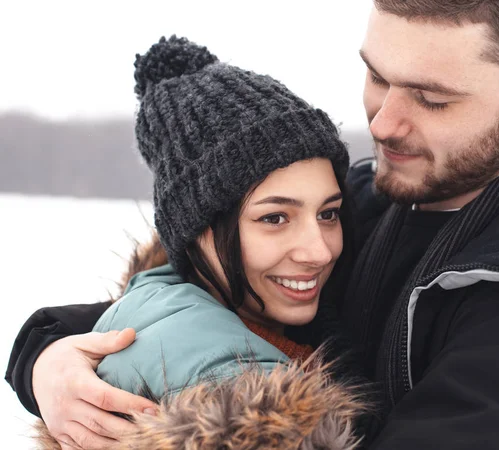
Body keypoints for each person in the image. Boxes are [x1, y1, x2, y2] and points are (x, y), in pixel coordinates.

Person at [7, 1, 499, 448]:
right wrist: (47, 357)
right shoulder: (378, 199)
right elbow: (194, 304)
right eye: (377, 77)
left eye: (431, 98)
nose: (385, 123)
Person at [17, 36, 371, 450]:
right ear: (195, 232)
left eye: (327, 213)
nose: (319, 250)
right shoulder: (227, 391)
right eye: (274, 218)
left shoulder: (255, 323)